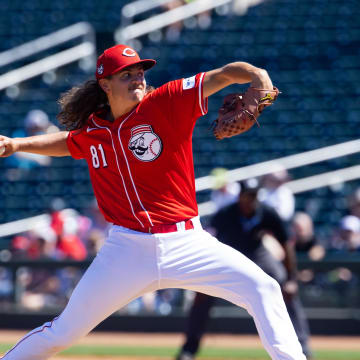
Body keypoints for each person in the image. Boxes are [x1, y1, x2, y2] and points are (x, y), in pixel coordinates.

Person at [0, 44, 306, 359]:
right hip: (126, 251)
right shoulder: (95, 130)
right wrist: (17, 145)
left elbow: (227, 74)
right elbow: (70, 142)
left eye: (140, 73)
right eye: (127, 75)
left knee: (264, 288)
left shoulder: (168, 101)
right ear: (105, 84)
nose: (138, 79)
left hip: (187, 243)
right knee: (62, 333)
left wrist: (260, 79)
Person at [177, 180, 311, 360]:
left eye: (255, 195)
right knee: (201, 295)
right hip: (229, 255)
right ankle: (189, 349)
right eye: (248, 195)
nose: (251, 200)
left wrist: (291, 279)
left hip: (257, 254)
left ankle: (303, 348)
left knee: (284, 289)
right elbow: (207, 236)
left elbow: (285, 244)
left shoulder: (266, 212)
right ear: (240, 196)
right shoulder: (226, 213)